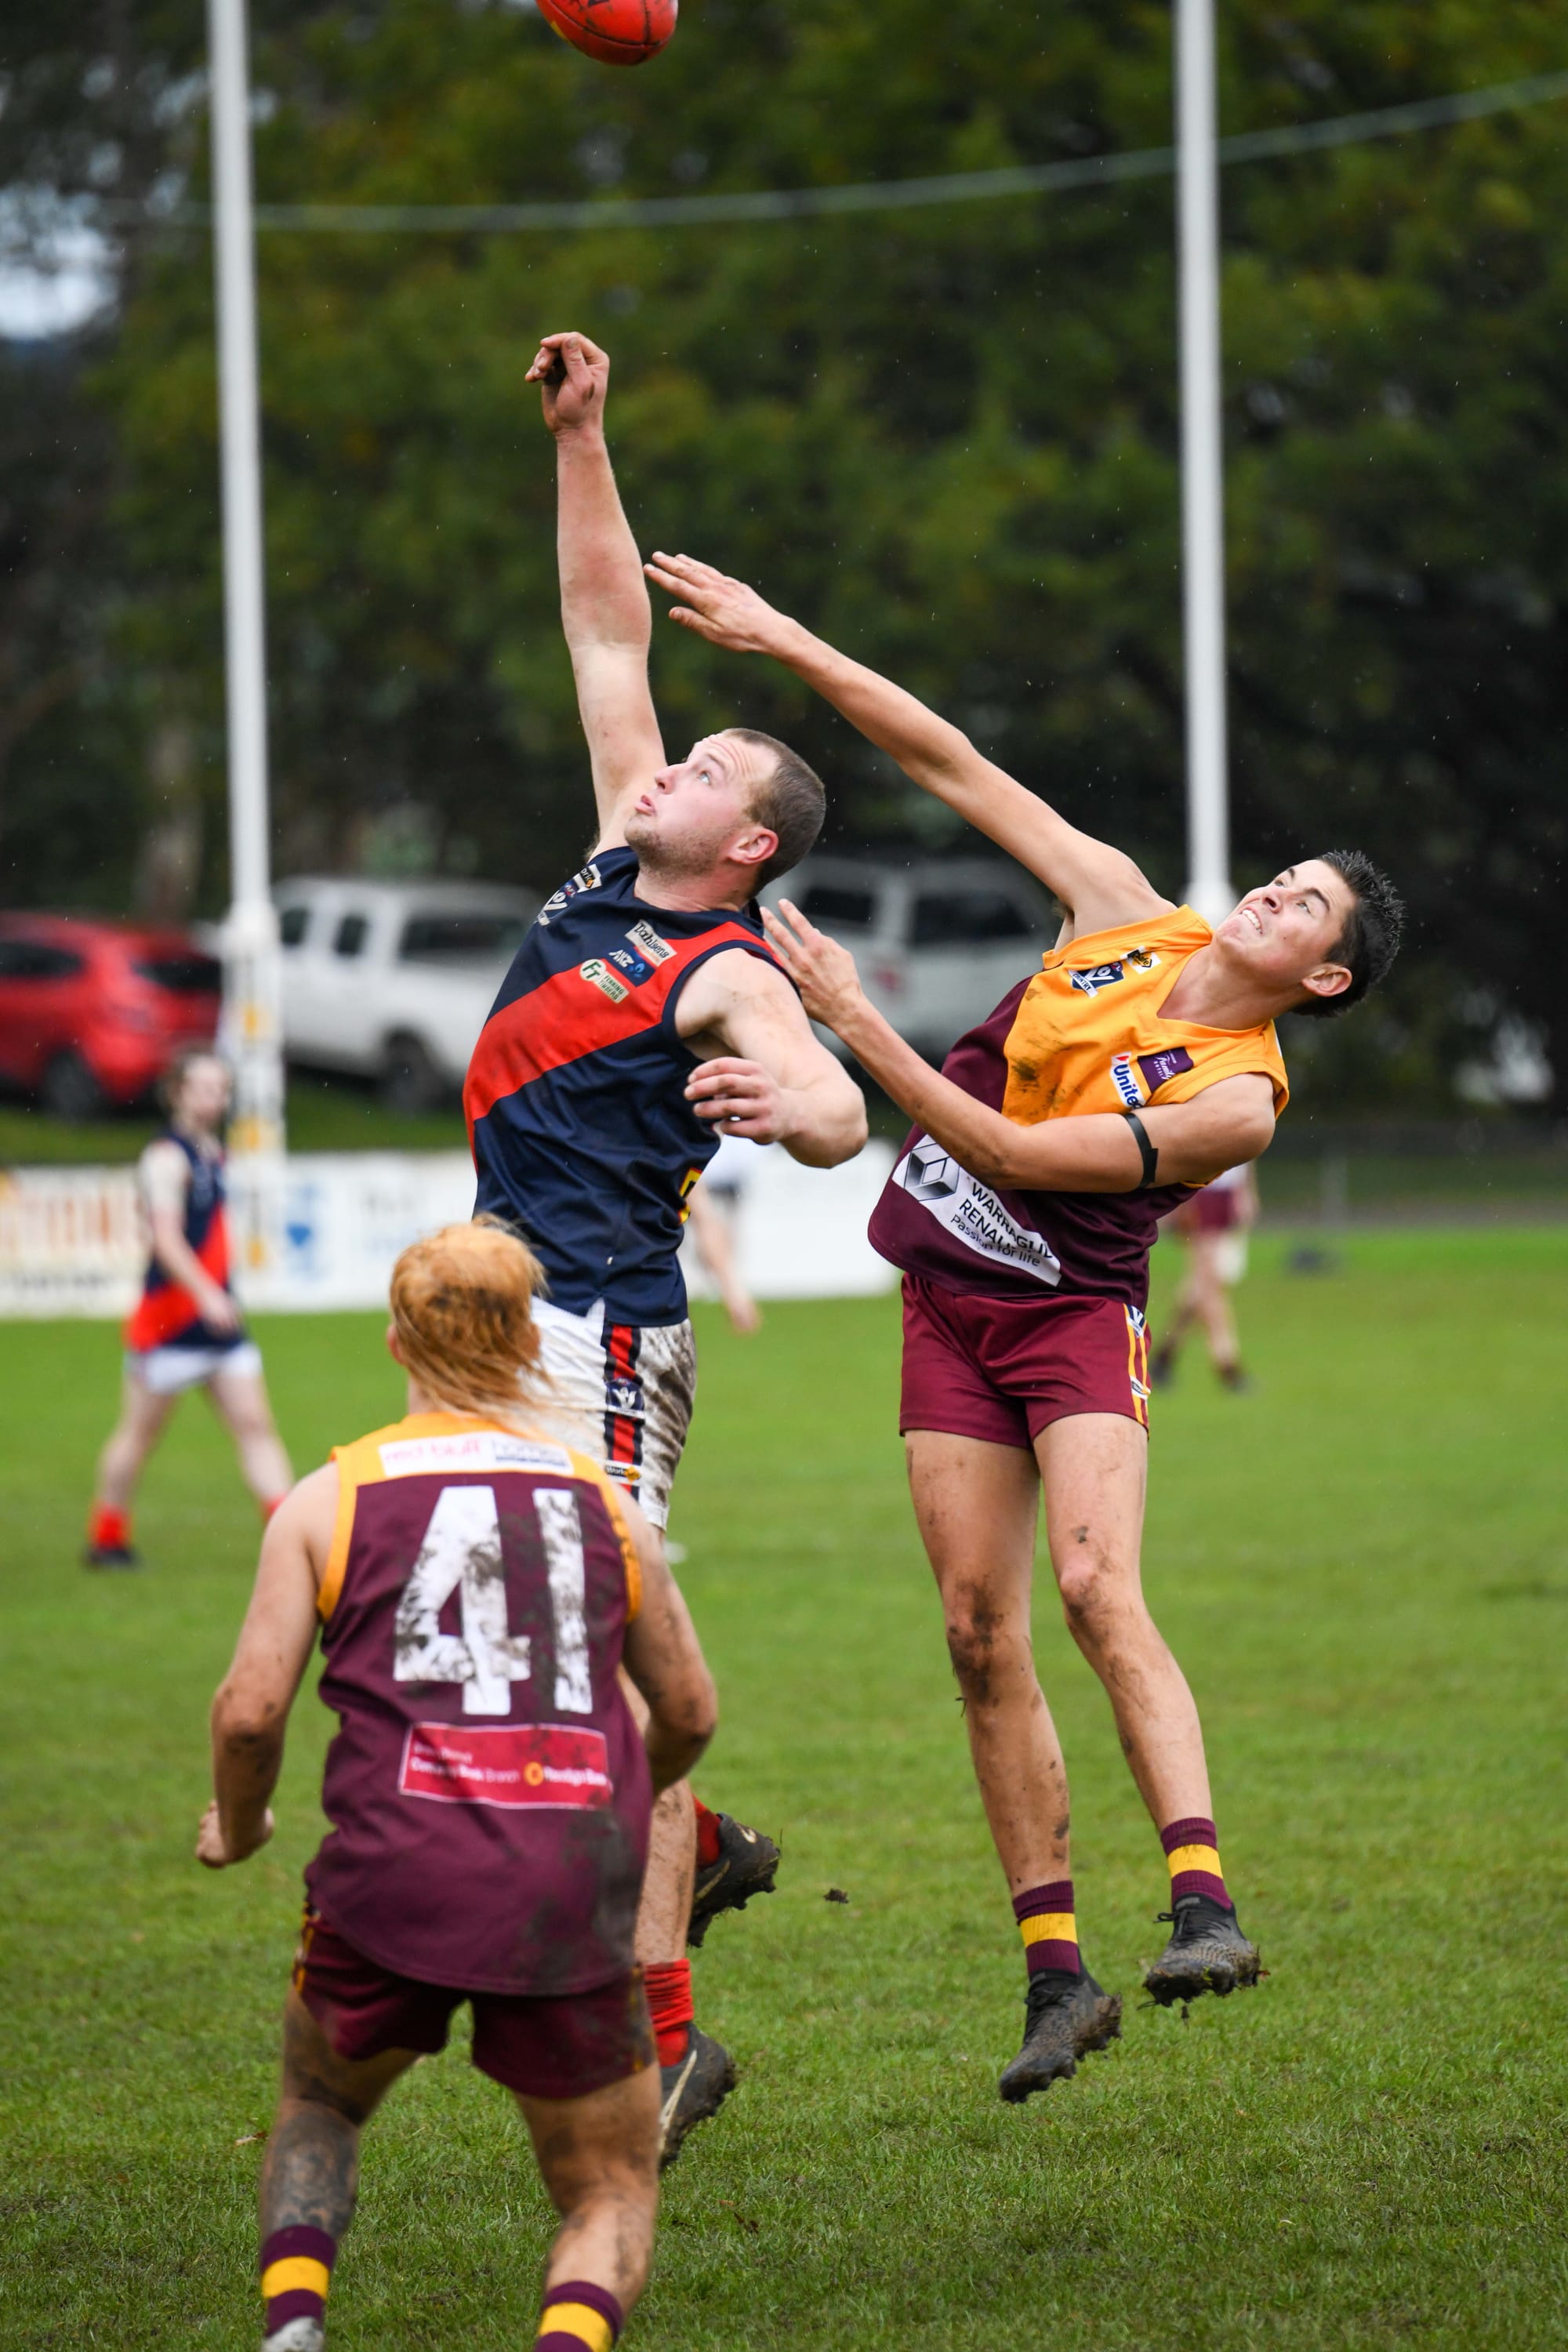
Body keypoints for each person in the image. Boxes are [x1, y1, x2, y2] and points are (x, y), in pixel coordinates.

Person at [644, 550, 1404, 2100]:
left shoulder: (1242, 1101)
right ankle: (1057, 1976)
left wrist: (854, 1027)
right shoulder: (1124, 906)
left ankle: (1203, 1903)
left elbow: (1013, 1154)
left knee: (1094, 1588)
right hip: (951, 1307)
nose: (1273, 890)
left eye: (1305, 906)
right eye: (1284, 873)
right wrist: (782, 634)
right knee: (976, 1634)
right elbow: (948, 758)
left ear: (1321, 977)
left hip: (1069, 1319)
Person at [462, 332, 867, 2154]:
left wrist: (805, 1105)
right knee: (540, 1661)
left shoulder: (719, 963)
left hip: (602, 1342)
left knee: (597, 1684)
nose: (662, 767)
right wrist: (583, 436)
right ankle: (694, 1859)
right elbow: (603, 630)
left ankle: (667, 2036)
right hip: (497, 1324)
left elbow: (833, 1105)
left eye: (700, 769)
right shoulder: (612, 865)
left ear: (749, 844)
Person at [197, 1218, 717, 2352]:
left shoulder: (326, 1500)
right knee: (609, 2189)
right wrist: (623, 1799)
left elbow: (247, 1713)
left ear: (397, 1341)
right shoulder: (605, 1502)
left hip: (392, 1875)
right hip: (567, 1881)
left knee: (321, 2104)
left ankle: (295, 2324)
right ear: (530, 1342)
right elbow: (688, 1711)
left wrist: (240, 1827)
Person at [84, 1047, 292, 1568]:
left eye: (220, 1088)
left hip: (219, 1324)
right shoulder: (165, 1158)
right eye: (203, 1087)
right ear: (176, 1092)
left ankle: (289, 1536)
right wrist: (206, 1294)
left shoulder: (212, 1150)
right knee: (139, 1434)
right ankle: (107, 1537)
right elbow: (166, 1240)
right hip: (170, 1321)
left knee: (256, 1426)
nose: (214, 1098)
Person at [1150, 1163, 1259, 1391]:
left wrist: (1245, 1190)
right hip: (1204, 1193)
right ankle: (1228, 1364)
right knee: (1209, 1286)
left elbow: (1245, 1152)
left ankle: (1164, 1356)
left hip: (1225, 1196)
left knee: (1201, 1287)